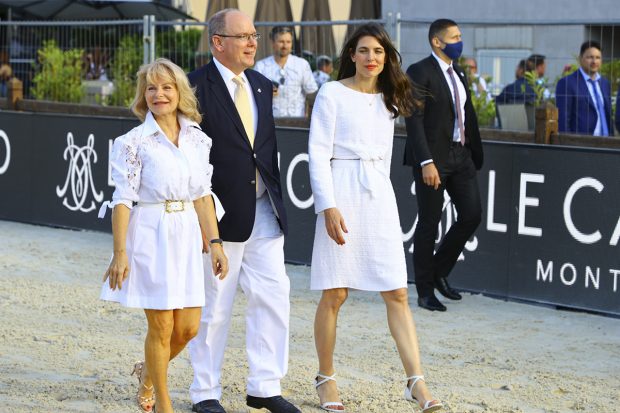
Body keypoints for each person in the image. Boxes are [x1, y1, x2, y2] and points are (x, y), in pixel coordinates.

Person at [309, 23, 443, 413]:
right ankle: (326, 378)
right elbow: (318, 153)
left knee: (397, 291)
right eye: (364, 51)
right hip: (341, 192)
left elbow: (385, 156)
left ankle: (416, 383)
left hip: (378, 196)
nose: (372, 58)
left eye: (379, 52)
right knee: (335, 292)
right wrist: (327, 206)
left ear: (387, 58)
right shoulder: (331, 93)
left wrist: (383, 197)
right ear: (351, 54)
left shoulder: (390, 100)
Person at [99, 58, 229, 413]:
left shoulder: (198, 139)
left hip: (188, 236)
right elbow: (123, 200)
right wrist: (120, 252)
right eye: (151, 88)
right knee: (161, 326)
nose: (159, 94)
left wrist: (215, 243)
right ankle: (163, 405)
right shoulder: (132, 142)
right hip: (150, 235)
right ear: (143, 95)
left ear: (179, 92)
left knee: (186, 329)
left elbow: (203, 194)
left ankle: (147, 376)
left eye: (167, 87)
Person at [186, 9, 300, 413]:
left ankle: (265, 386)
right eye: (243, 37)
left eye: (254, 35)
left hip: (265, 210)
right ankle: (205, 392)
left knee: (273, 296)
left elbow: (264, 149)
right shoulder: (193, 87)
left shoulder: (261, 84)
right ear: (218, 42)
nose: (253, 43)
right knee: (214, 305)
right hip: (217, 216)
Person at [404, 18, 483, 312]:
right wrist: (426, 161)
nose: (459, 41)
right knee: (429, 223)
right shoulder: (419, 71)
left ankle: (438, 271)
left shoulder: (458, 72)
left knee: (472, 214)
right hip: (432, 159)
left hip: (460, 155)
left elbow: (465, 114)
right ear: (437, 42)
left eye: (460, 35)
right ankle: (425, 291)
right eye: (454, 36)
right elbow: (413, 120)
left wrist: (472, 150)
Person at [254, 26, 318, 117]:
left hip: (297, 121)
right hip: (270, 120)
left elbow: (311, 93)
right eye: (281, 42)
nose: (285, 46)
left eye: (288, 42)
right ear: (272, 42)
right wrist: (266, 92)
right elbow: (254, 94)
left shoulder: (302, 64)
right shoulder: (261, 66)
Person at [555, 40, 612, 136]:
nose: (594, 61)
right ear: (580, 59)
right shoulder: (567, 83)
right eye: (590, 57)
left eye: (598, 57)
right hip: (582, 144)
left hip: (606, 143)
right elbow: (563, 121)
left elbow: (608, 116)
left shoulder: (605, 83)